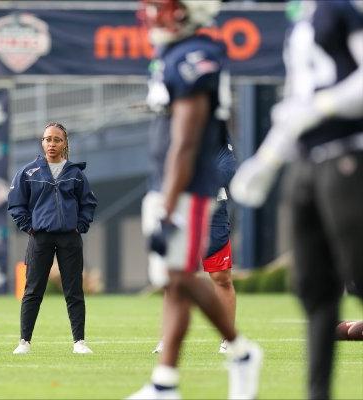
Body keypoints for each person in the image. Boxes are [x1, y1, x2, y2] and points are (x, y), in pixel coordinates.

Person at [129, 1, 262, 399]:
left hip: (188, 186)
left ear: (186, 12)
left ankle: (237, 352)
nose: (153, 15)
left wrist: (168, 203)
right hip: (170, 182)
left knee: (180, 277)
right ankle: (168, 381)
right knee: (175, 280)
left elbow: (187, 141)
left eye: (163, 7)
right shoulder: (173, 53)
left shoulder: (194, 56)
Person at [230, 1, 363, 398]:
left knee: (357, 273)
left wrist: (323, 107)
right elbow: (293, 109)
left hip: (347, 154)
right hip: (306, 164)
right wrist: (266, 162)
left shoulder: (343, 9)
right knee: (314, 288)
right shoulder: (299, 20)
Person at [8, 122, 98, 355]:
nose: (52, 144)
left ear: (64, 143)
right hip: (40, 238)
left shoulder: (76, 174)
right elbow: (16, 204)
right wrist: (29, 227)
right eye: (48, 139)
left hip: (70, 238)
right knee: (33, 290)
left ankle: (79, 342)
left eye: (57, 139)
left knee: (74, 290)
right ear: (42, 142)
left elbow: (88, 203)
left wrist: (80, 225)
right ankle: (24, 342)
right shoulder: (29, 173)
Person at [151, 139, 237, 355]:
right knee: (174, 277)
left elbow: (227, 167)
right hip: (180, 212)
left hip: (212, 212)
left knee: (221, 277)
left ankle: (229, 339)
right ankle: (168, 338)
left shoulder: (216, 134)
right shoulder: (172, 133)